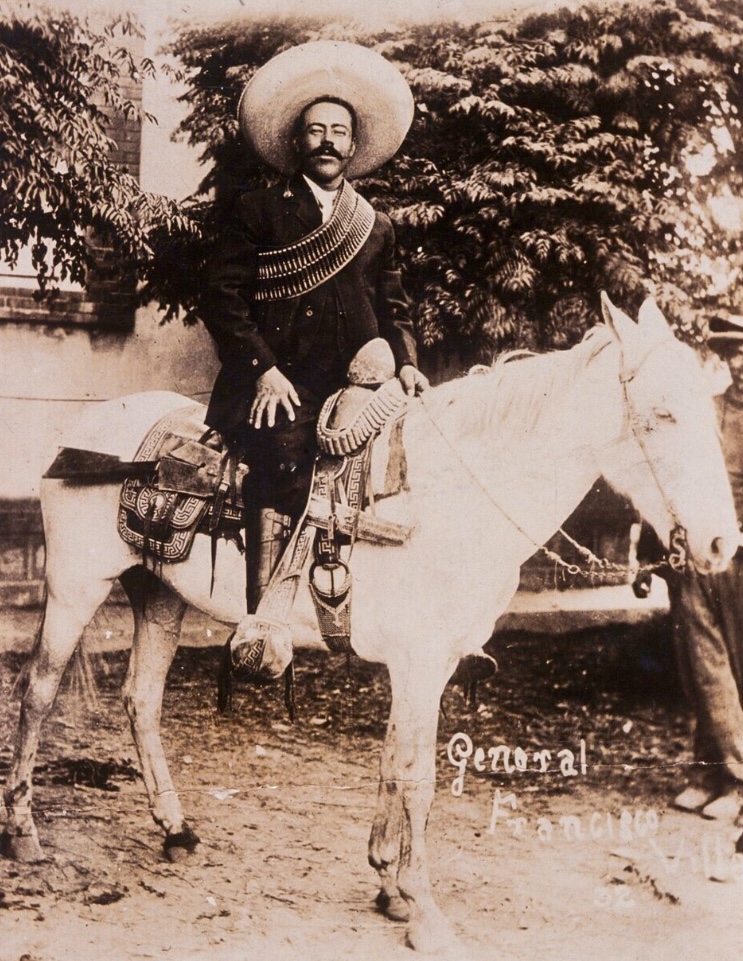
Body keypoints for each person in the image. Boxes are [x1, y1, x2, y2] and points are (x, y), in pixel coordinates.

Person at [200, 41, 429, 617]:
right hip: (281, 385)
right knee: (281, 458)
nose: (327, 141)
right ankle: (264, 621)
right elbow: (223, 299)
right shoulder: (256, 209)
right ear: (297, 142)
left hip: (357, 385)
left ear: (354, 146)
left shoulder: (375, 226)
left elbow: (395, 307)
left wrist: (406, 363)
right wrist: (265, 371)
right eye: (315, 130)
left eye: (339, 132)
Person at [667, 312, 743, 825]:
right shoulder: (705, 411)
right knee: (702, 664)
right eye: (730, 352)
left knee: (735, 665)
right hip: (698, 554)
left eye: (741, 349)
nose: (737, 361)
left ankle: (737, 783)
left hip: (740, 553)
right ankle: (710, 773)